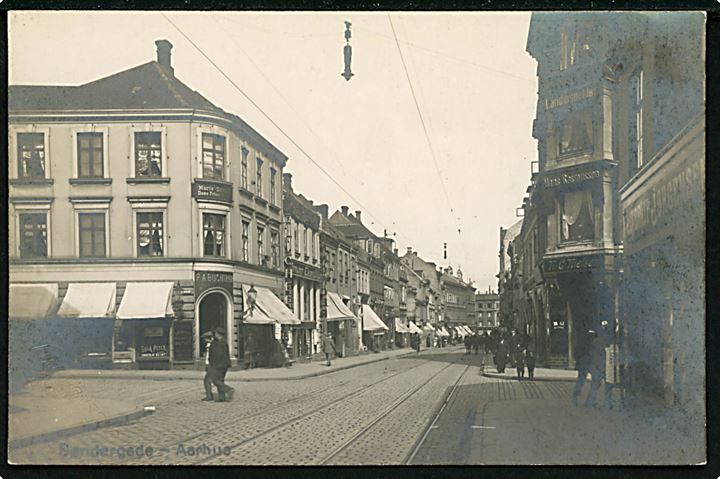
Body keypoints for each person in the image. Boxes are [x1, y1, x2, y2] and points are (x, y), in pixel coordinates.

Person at [206, 328, 235, 402]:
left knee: (215, 380)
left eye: (215, 333)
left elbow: (218, 355)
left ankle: (228, 389)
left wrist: (212, 362)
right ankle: (222, 398)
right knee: (221, 380)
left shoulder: (218, 343)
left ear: (218, 334)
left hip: (218, 365)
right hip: (224, 364)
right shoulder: (224, 342)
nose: (214, 335)